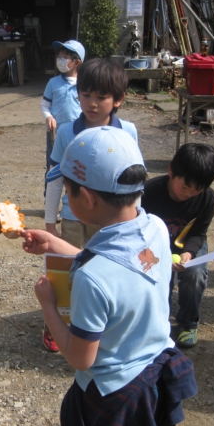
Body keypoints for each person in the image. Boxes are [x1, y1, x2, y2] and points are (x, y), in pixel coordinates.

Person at [22, 127, 197, 426]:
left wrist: (48, 306)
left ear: (87, 198)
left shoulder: (92, 278)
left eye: (67, 190)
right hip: (154, 374)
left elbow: (81, 359)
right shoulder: (155, 227)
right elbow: (123, 268)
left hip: (113, 395)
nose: (66, 196)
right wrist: (60, 248)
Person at [42, 57, 137, 352]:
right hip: (72, 217)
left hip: (110, 221)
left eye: (101, 97)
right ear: (77, 93)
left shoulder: (128, 131)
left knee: (103, 271)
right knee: (67, 271)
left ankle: (99, 329)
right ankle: (57, 325)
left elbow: (134, 180)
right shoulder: (67, 132)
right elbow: (55, 179)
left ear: (119, 99)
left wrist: (134, 218)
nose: (92, 104)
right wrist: (49, 221)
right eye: (86, 95)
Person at [141, 143, 214, 348]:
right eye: (184, 187)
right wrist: (159, 256)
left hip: (186, 246)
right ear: (171, 171)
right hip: (154, 247)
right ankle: (160, 323)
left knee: (195, 274)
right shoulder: (149, 192)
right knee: (157, 280)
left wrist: (189, 253)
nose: (188, 194)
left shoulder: (208, 198)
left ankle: (188, 323)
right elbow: (140, 231)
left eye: (197, 190)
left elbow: (199, 232)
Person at [40, 40, 85, 194]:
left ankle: (71, 203)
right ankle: (50, 203)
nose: (60, 60)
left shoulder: (84, 84)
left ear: (76, 62)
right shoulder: (53, 82)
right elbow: (44, 105)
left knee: (76, 167)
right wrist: (48, 117)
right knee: (53, 166)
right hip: (55, 132)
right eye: (59, 57)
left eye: (64, 57)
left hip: (78, 134)